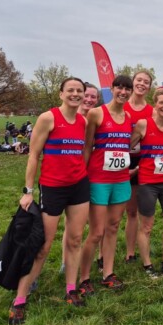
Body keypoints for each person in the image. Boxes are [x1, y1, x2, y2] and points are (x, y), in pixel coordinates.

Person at [9, 77, 90, 325]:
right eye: (70, 90)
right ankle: (20, 299)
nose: (75, 94)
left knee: (75, 239)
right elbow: (33, 155)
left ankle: (70, 289)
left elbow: (80, 153)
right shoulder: (48, 118)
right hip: (53, 188)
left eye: (79, 90)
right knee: (43, 246)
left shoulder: (83, 121)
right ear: (61, 94)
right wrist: (28, 191)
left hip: (79, 187)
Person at [78, 75, 134, 295]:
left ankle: (108, 274)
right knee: (96, 232)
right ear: (112, 89)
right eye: (119, 87)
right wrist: (82, 175)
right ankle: (84, 278)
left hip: (120, 179)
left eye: (127, 89)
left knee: (113, 227)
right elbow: (87, 147)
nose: (123, 92)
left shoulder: (128, 116)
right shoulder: (96, 113)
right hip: (99, 179)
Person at [130, 88, 163, 278]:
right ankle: (147, 265)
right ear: (155, 104)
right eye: (162, 102)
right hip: (147, 181)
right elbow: (128, 146)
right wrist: (133, 168)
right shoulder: (143, 124)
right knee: (147, 226)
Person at [60, 84, 99, 273]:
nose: (89, 100)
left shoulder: (97, 118)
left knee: (97, 221)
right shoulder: (71, 117)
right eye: (87, 95)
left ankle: (98, 257)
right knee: (72, 222)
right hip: (72, 177)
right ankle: (65, 261)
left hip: (96, 174)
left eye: (93, 97)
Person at [122, 70, 154, 264]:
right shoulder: (122, 106)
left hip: (145, 162)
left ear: (149, 87)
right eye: (139, 80)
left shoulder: (152, 111)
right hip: (124, 161)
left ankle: (139, 249)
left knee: (144, 212)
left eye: (146, 82)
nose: (142, 84)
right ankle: (130, 252)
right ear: (133, 82)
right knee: (130, 211)